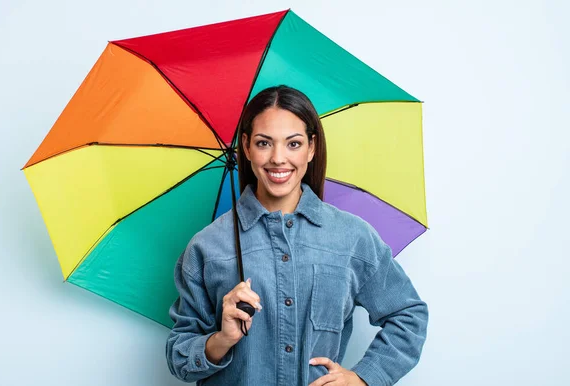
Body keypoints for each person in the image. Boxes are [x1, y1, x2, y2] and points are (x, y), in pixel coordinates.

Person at [166, 85, 428, 386]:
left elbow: (408, 315)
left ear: (312, 148)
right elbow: (179, 358)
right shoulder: (208, 246)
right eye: (264, 143)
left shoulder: (352, 237)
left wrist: (363, 378)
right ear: (247, 146)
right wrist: (222, 339)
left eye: (293, 144)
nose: (278, 158)